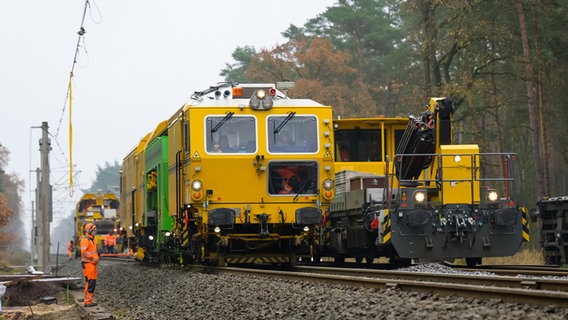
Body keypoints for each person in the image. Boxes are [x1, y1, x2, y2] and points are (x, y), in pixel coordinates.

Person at [81, 223, 100, 307]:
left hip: (92, 264)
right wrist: (93, 258)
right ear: (89, 230)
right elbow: (84, 252)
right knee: (90, 283)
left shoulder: (92, 240)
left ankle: (88, 300)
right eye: (94, 230)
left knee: (91, 283)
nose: (95, 232)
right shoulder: (86, 240)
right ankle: (88, 302)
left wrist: (95, 259)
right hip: (88, 264)